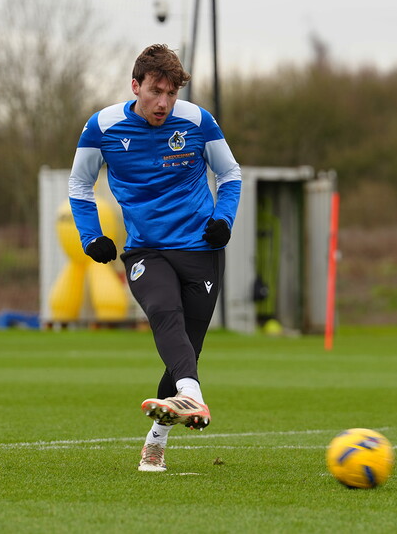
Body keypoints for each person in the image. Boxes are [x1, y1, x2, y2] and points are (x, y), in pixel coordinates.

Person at [67, 44, 242, 472]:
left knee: (187, 348)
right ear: (135, 86)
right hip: (146, 248)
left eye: (171, 93)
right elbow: (79, 184)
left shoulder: (198, 121)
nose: (164, 102)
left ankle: (156, 439)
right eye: (155, 91)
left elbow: (231, 173)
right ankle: (194, 397)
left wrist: (223, 218)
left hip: (200, 248)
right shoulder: (102, 127)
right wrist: (93, 238)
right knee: (164, 313)